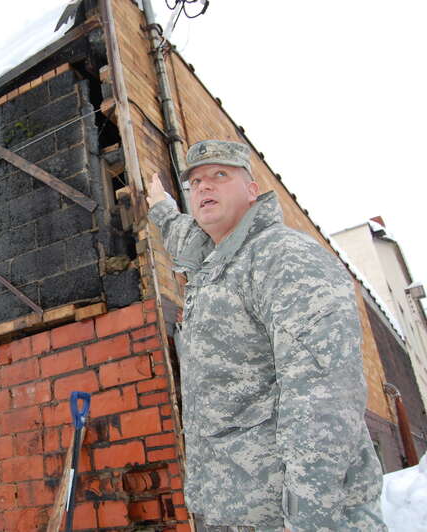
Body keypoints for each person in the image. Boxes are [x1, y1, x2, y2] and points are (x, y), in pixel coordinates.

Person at [146, 140, 385, 531]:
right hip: (232, 512)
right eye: (196, 182)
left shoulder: (282, 257)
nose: (204, 186)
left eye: (220, 175)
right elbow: (182, 234)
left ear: (252, 190)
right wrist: (161, 206)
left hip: (291, 518)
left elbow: (322, 395)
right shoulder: (217, 260)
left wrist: (309, 519)